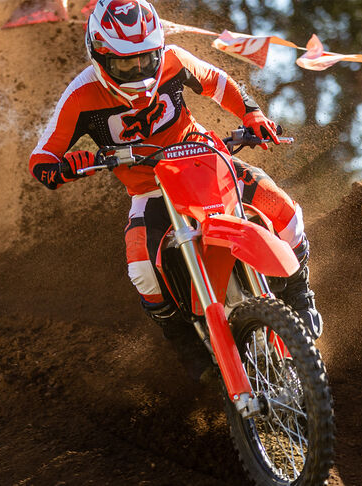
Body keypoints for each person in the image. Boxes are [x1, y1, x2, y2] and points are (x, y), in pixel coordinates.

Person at [28, 0, 321, 381]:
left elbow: (218, 83)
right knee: (142, 272)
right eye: (125, 63)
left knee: (284, 211)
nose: (138, 70)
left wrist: (252, 114)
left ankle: (299, 291)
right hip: (150, 188)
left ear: (158, 47)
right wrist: (68, 165)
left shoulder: (174, 59)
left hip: (207, 160)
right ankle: (182, 338)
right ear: (99, 55)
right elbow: (42, 159)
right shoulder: (80, 95)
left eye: (146, 58)